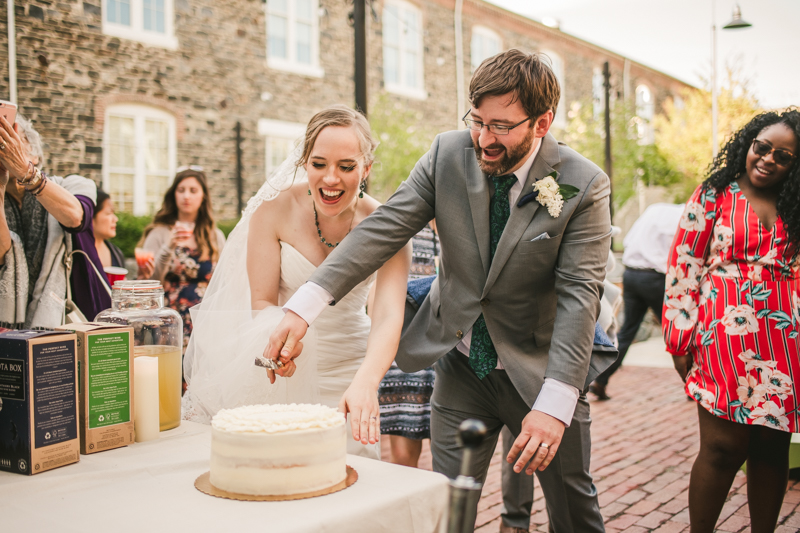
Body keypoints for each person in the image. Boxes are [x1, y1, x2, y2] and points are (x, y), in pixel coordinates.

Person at [268, 49, 614, 531]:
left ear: (542, 123)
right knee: (448, 513)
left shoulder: (583, 184)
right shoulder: (448, 154)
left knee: (573, 510)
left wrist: (555, 408)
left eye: (501, 126)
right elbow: (382, 229)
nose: (483, 139)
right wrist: (303, 307)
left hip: (542, 367)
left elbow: (580, 294)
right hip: (461, 365)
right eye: (477, 121)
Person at [181, 105, 411, 459]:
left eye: (346, 167)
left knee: (349, 480)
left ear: (366, 167)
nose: (331, 179)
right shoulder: (273, 211)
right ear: (305, 162)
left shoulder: (388, 226)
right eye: (319, 164)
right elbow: (262, 303)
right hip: (287, 375)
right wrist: (284, 349)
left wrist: (367, 381)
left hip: (351, 370)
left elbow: (388, 317)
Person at [663, 109, 800, 533]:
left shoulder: (795, 205)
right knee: (723, 447)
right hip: (723, 333)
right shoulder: (714, 194)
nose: (768, 159)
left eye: (783, 156)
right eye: (762, 147)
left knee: (771, 449)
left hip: (784, 337)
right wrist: (679, 339)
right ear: (748, 144)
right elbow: (684, 267)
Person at [0, 113, 103, 328]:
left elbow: (75, 217)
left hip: (77, 318)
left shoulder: (74, 184)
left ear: (35, 156)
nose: (5, 148)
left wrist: (24, 172)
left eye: (12, 140)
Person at [589, 203, 683, 400]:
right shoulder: (684, 216)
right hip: (655, 278)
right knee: (676, 333)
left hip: (631, 274)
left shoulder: (654, 210)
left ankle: (601, 379)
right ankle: (694, 386)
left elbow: (629, 240)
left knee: (627, 332)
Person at [140, 168, 227, 354]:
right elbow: (148, 283)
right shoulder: (159, 234)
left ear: (203, 196)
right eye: (181, 190)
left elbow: (224, 282)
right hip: (167, 323)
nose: (186, 196)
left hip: (205, 323)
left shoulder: (214, 237)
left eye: (193, 190)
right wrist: (169, 246)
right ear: (174, 195)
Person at [377, 222, 438, 467]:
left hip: (451, 352)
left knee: (449, 458)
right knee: (403, 458)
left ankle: (444, 507)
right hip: (405, 349)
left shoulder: (467, 224)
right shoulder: (406, 228)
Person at [92, 188, 125, 270]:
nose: (115, 219)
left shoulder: (116, 253)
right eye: (109, 213)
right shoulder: (77, 253)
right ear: (90, 216)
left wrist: (139, 278)